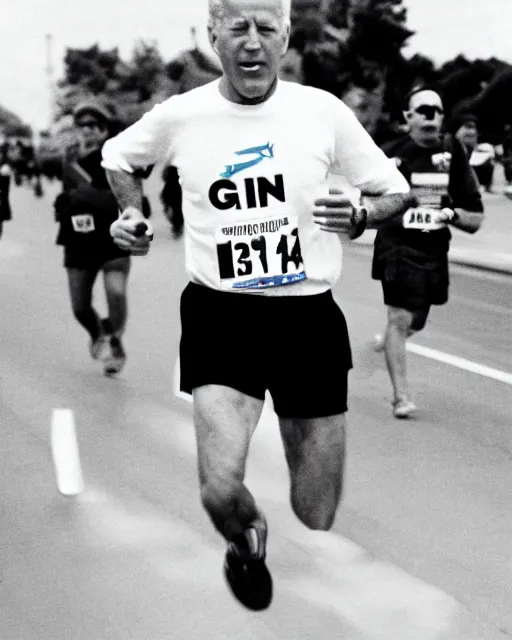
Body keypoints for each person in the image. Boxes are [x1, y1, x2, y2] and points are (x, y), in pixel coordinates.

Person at [102, 0, 413, 611]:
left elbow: (392, 191)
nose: (251, 42)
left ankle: (285, 512)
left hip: (308, 320)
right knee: (220, 490)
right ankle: (246, 543)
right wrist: (130, 213)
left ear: (286, 37)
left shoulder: (321, 111)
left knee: (317, 511)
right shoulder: (182, 114)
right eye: (237, 28)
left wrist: (358, 215)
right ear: (213, 33)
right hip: (222, 317)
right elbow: (119, 157)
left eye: (265, 28)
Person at [371, 87, 484, 418]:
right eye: (422, 110)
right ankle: (401, 397)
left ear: (443, 118)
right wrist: (394, 203)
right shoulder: (388, 154)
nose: (430, 115)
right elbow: (365, 205)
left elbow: (475, 217)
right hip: (397, 247)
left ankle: (393, 337)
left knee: (416, 321)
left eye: (436, 110)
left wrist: (451, 214)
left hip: (434, 248)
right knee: (399, 316)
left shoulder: (454, 154)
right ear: (408, 118)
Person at [54, 100, 141, 375]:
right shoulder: (69, 157)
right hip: (78, 240)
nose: (88, 131)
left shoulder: (116, 156)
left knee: (116, 295)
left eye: (94, 126)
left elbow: (131, 197)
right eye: (83, 126)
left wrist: (83, 196)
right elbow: (66, 195)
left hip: (112, 237)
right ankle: (98, 334)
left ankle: (114, 342)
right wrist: (63, 204)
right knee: (80, 307)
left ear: (105, 130)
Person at [452, 112, 495, 193]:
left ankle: (483, 185)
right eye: (469, 123)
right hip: (462, 152)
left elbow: (474, 143)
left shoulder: (473, 131)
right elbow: (458, 142)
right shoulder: (462, 131)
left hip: (470, 152)